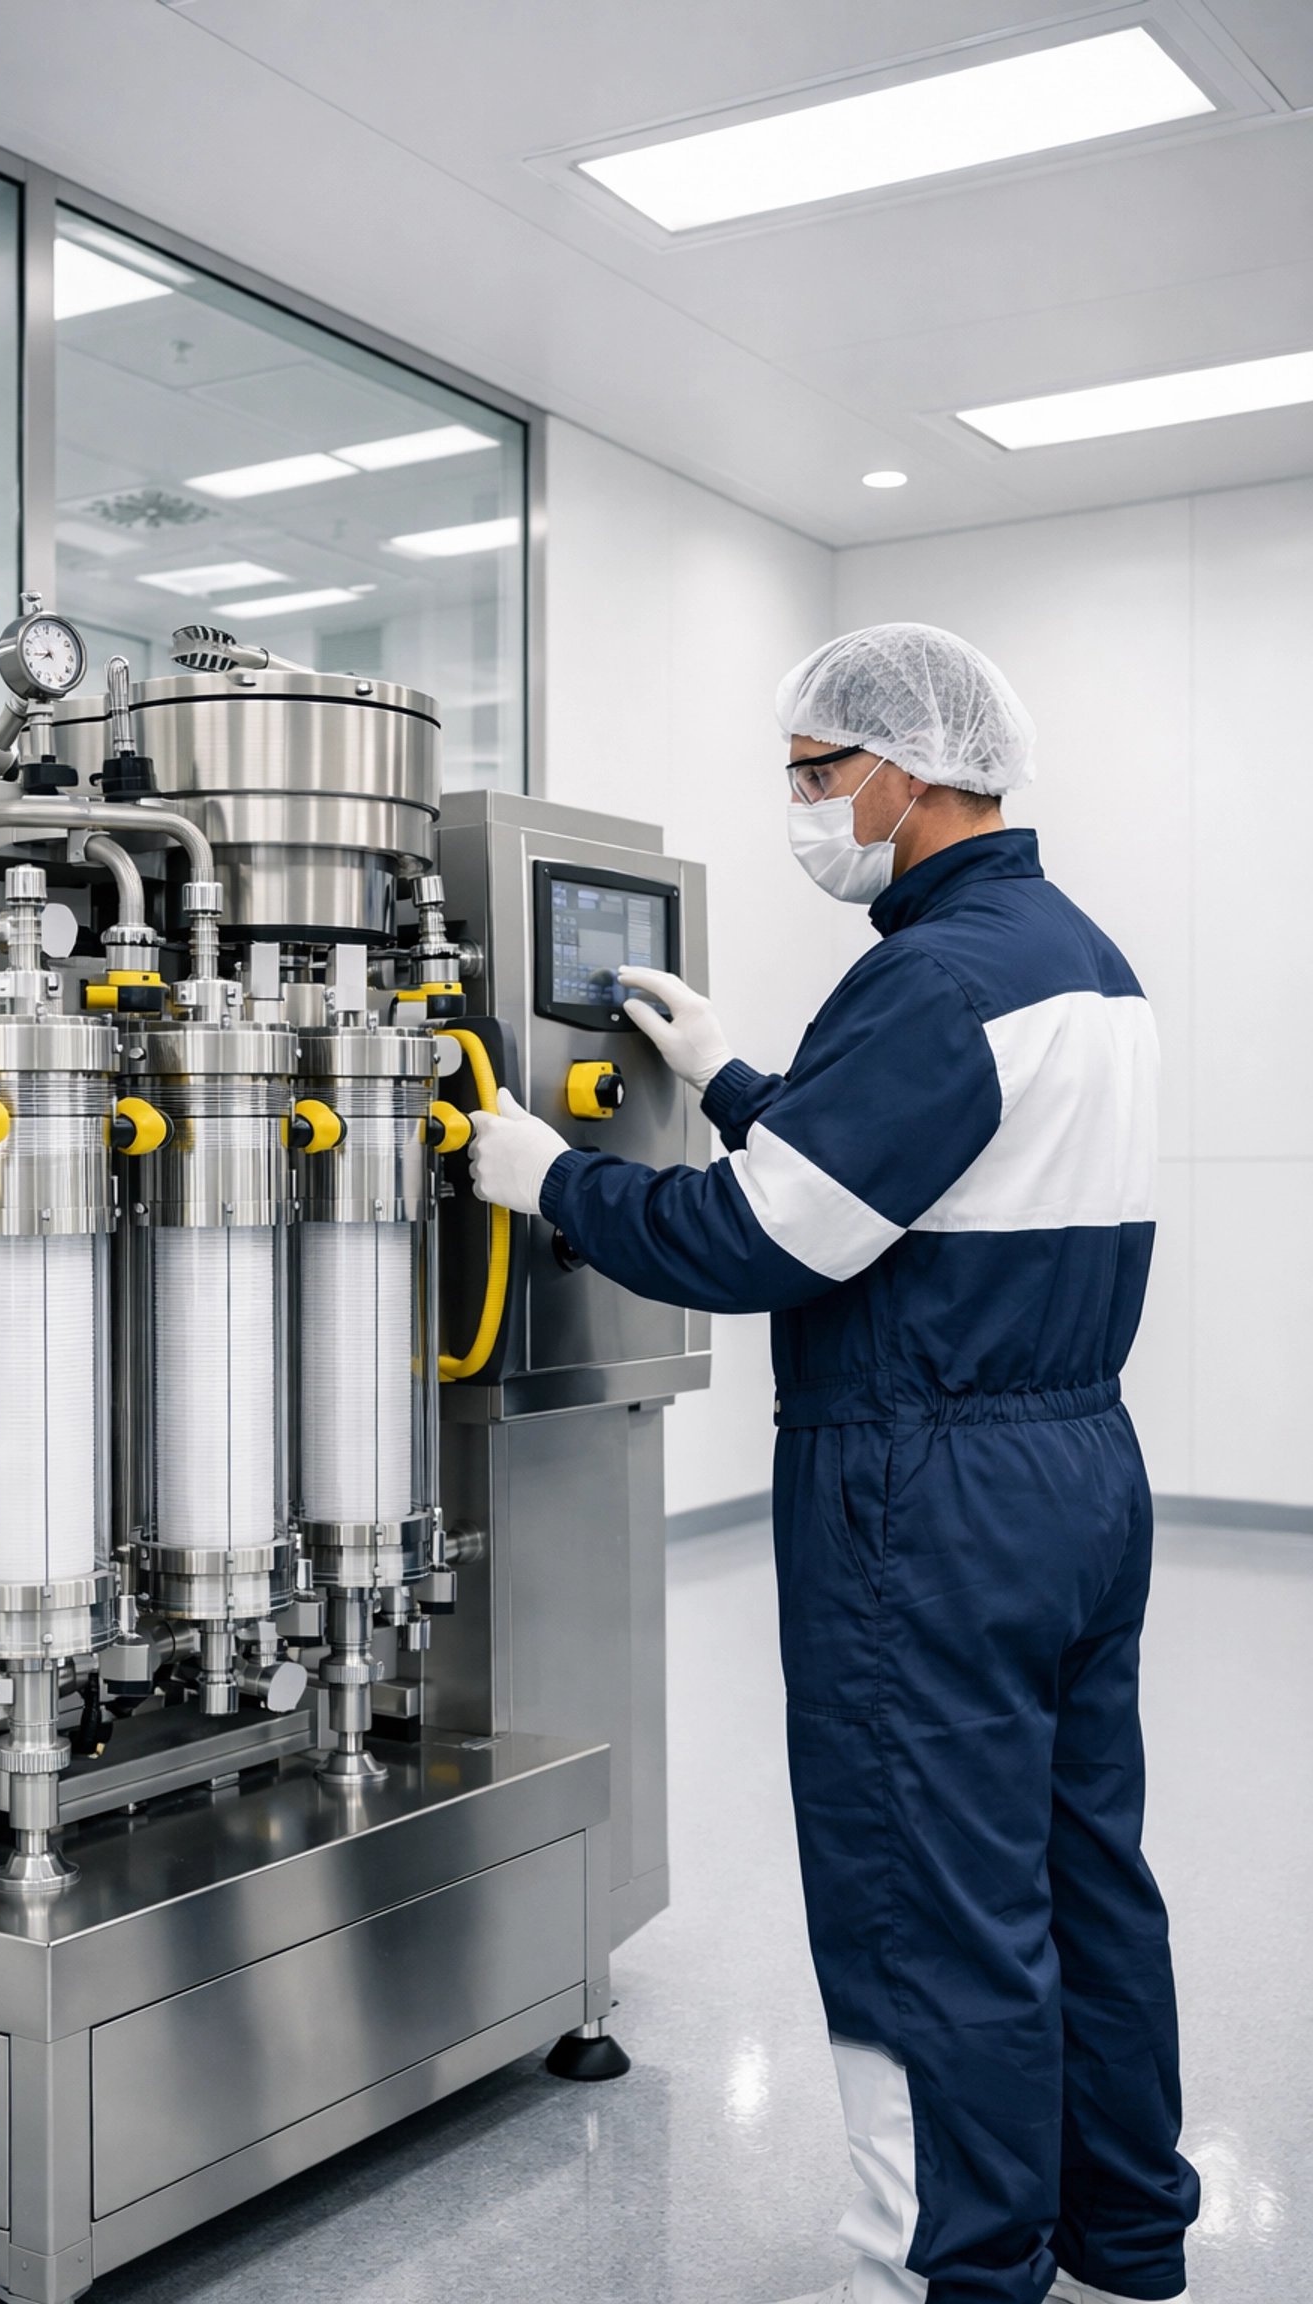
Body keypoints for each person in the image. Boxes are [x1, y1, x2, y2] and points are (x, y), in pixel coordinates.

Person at [466, 624, 1198, 2304]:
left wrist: (547, 1178)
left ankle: (944, 2267)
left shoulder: (932, 977)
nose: (805, 805)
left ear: (909, 773)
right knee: (1084, 1871)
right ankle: (1125, 2228)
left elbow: (765, 1238)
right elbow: (912, 1169)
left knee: (923, 1899)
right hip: (1077, 1468)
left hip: (926, 1499)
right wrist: (729, 1074)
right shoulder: (1077, 957)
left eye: (815, 773)